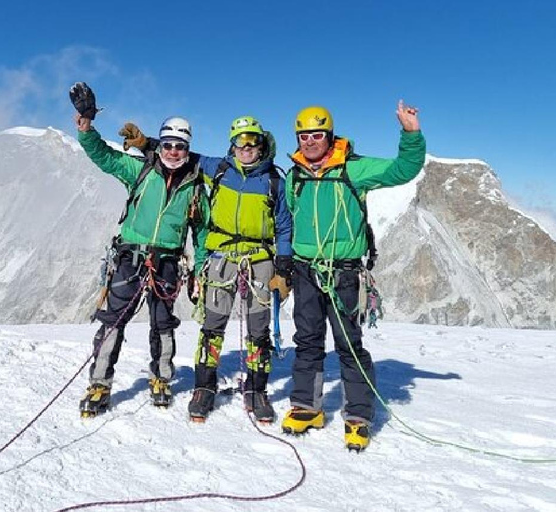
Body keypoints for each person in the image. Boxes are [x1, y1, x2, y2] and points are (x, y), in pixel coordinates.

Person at [122, 115, 292, 423]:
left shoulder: (274, 181)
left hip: (260, 260)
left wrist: (284, 265)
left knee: (258, 330)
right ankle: (204, 386)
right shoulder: (219, 168)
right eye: (240, 141)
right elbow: (181, 155)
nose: (246, 147)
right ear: (232, 144)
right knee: (212, 326)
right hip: (221, 257)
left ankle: (257, 391)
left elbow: (283, 225)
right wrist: (148, 143)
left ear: (261, 142)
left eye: (252, 141)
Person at [280, 101, 425, 451]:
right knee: (308, 340)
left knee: (349, 345)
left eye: (317, 135)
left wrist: (410, 132)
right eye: (304, 136)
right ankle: (306, 407)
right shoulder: (294, 176)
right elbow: (288, 218)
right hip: (304, 270)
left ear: (329, 136)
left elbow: (404, 169)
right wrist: (284, 261)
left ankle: (358, 416)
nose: (310, 142)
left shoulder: (353, 169)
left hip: (343, 273)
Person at [70, 82, 209, 417]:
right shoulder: (141, 169)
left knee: (163, 323)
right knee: (113, 322)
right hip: (131, 256)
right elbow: (103, 157)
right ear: (161, 144)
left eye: (180, 146)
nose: (173, 151)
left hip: (167, 262)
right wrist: (87, 126)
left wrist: (201, 269)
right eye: (168, 144)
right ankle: (99, 384)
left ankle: (161, 378)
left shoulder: (194, 186)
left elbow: (201, 231)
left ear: (187, 148)